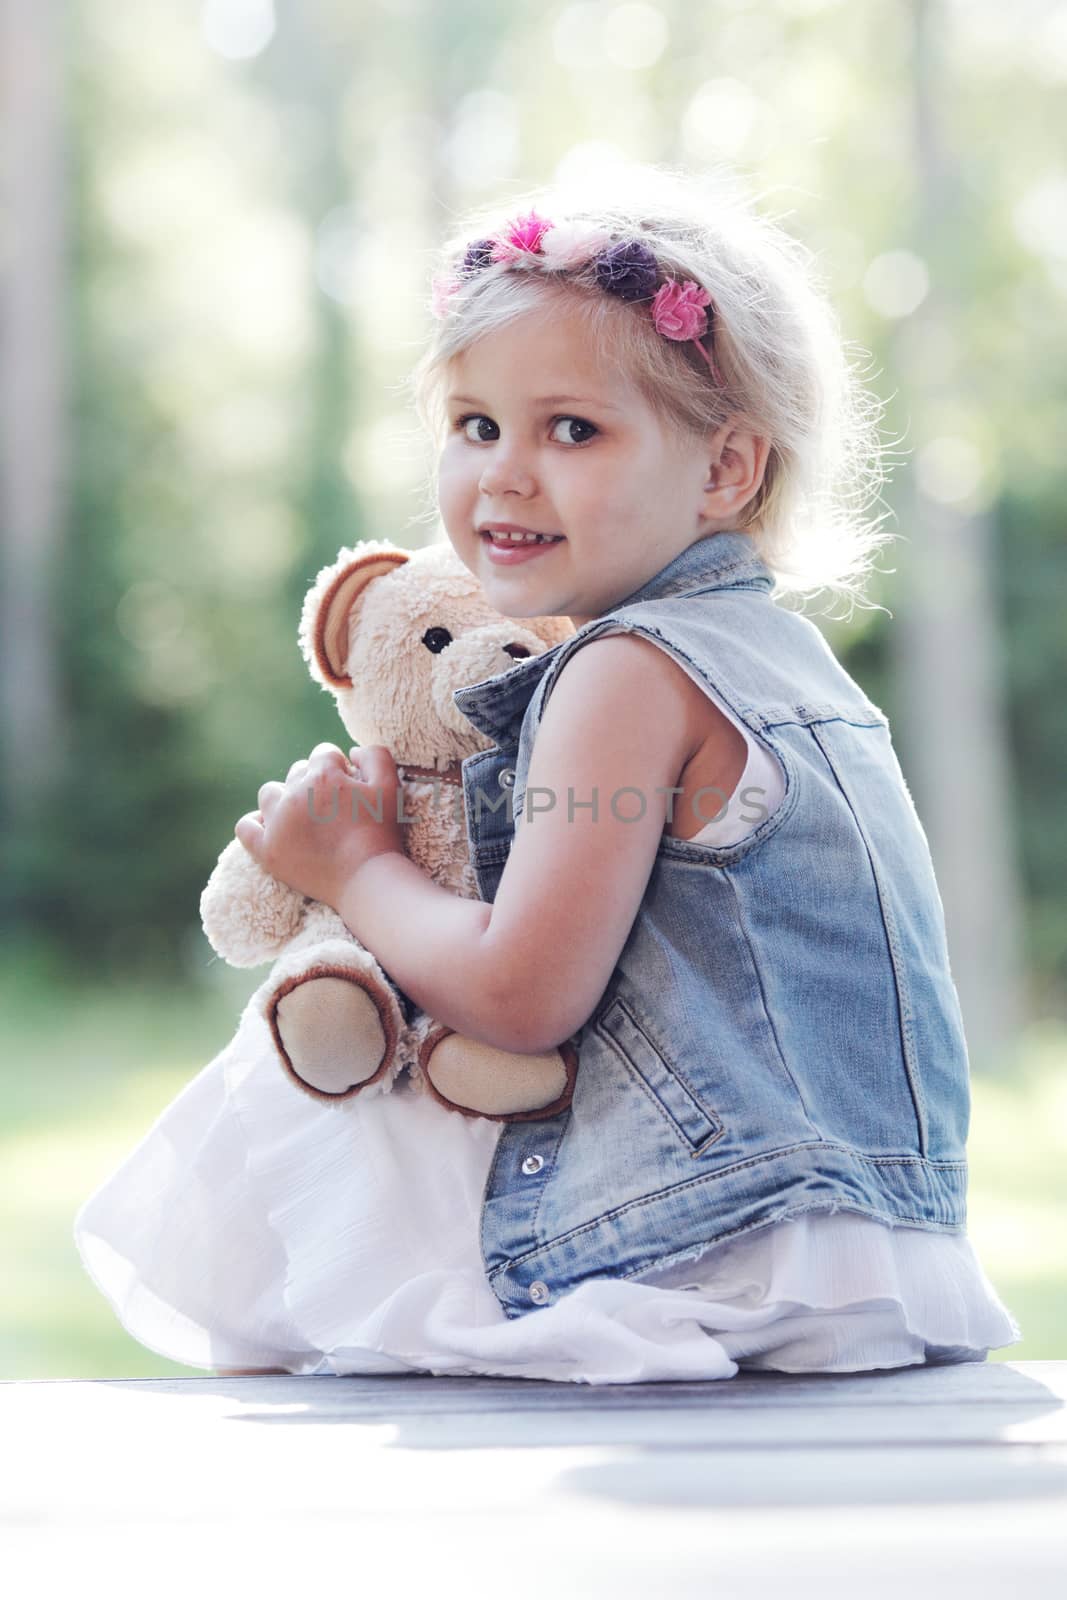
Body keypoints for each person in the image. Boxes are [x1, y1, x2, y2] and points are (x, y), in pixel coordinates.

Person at [74, 163, 1021, 1382]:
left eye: (570, 428)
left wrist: (354, 868)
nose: (503, 474)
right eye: (475, 426)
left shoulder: (623, 672)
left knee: (337, 1067)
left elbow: (520, 995)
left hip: (717, 1239)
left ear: (726, 470)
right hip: (883, 1245)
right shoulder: (787, 664)